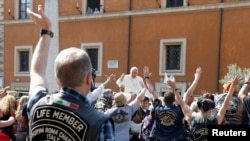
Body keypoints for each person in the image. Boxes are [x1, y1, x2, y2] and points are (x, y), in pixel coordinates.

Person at [26, 5, 114, 141]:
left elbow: (37, 72)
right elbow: (37, 72)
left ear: (57, 79)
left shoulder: (38, 104)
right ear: (89, 78)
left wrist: (45, 32)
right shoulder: (100, 123)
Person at [167, 74, 241, 141]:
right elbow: (225, 103)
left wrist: (174, 87)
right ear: (212, 109)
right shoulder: (216, 120)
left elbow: (182, 102)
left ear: (200, 107)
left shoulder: (191, 119)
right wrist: (232, 87)